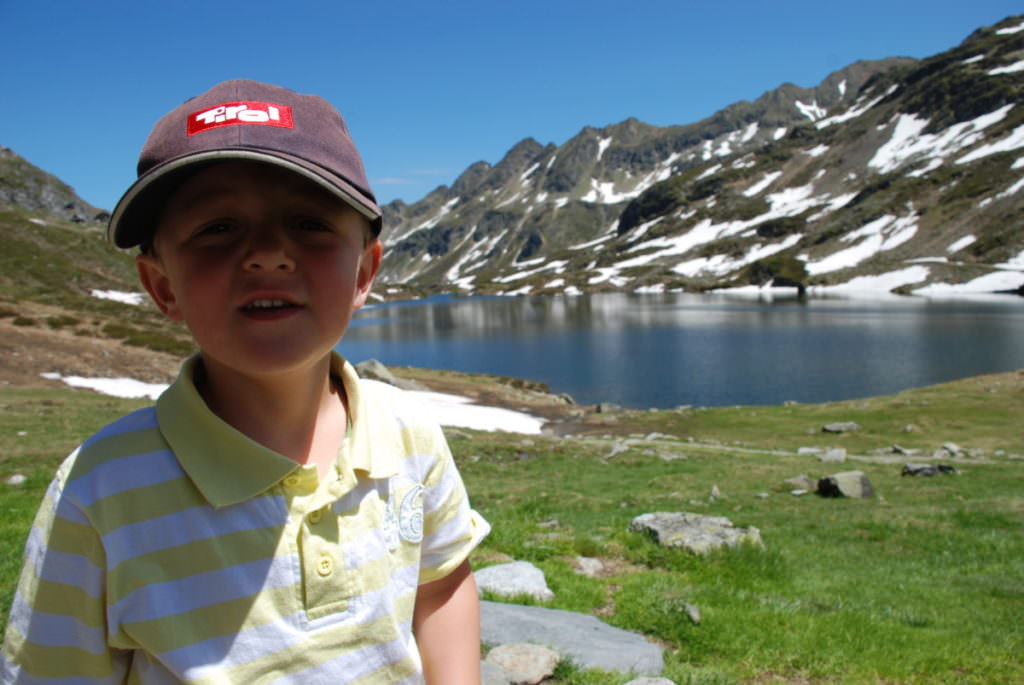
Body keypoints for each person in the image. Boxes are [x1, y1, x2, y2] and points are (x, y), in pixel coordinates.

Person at [1, 79, 490, 683]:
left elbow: (439, 589)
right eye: (217, 228)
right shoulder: (97, 495)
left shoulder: (410, 433)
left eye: (309, 223)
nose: (268, 255)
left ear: (364, 272)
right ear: (162, 286)